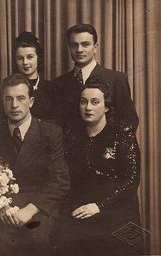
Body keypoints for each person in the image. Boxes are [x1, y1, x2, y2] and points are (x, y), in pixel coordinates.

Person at [0, 73, 70, 256]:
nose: (14, 105)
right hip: (4, 209)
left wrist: (30, 210)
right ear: (2, 102)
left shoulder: (50, 133)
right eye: (8, 99)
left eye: (20, 98)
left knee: (37, 240)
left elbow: (60, 181)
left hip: (38, 207)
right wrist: (1, 206)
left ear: (31, 101)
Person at [55, 77, 144, 256]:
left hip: (117, 206)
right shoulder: (71, 135)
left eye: (95, 102)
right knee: (65, 240)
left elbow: (131, 180)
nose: (88, 108)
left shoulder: (122, 134)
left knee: (113, 243)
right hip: (80, 204)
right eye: (83, 102)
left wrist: (99, 206)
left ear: (107, 107)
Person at [52, 23, 138, 130]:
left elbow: (129, 120)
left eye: (85, 44)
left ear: (95, 47)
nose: (79, 50)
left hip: (106, 145)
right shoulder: (58, 84)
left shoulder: (116, 79)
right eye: (74, 45)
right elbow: (55, 125)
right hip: (70, 146)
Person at [0, 31, 53, 121]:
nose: (25, 63)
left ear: (38, 58)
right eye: (20, 58)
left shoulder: (51, 89)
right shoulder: (6, 87)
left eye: (30, 57)